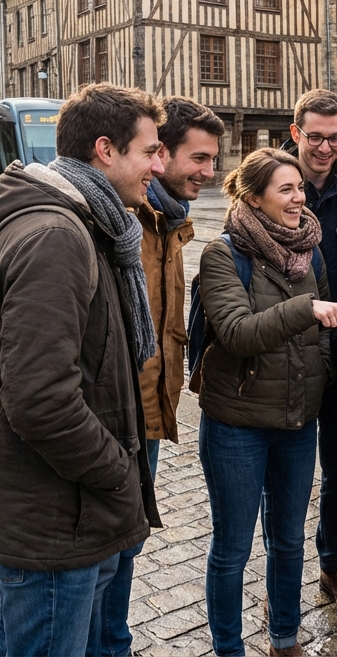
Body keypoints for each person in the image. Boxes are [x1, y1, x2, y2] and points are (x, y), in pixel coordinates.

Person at [0, 83, 166, 657]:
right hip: (55, 517)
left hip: (67, 512)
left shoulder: (84, 221)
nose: (159, 164)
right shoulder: (57, 235)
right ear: (106, 150)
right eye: (150, 151)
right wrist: (115, 470)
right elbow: (40, 398)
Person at [196, 147, 337, 657]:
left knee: (288, 542)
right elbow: (238, 333)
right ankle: (228, 647)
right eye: (285, 189)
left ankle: (284, 640)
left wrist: (323, 376)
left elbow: (326, 335)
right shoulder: (224, 253)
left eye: (299, 188)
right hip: (237, 424)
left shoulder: (311, 249)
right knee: (232, 549)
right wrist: (306, 307)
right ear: (253, 196)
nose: (298, 198)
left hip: (296, 422)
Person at [280, 88, 337, 617]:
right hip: (287, 354)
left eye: (335, 138)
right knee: (288, 476)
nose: (324, 148)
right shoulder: (270, 182)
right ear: (296, 133)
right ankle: (281, 576)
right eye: (315, 137)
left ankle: (333, 565)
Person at [137, 97, 225, 479]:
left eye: (213, 160)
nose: (210, 172)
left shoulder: (169, 218)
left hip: (150, 408)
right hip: (123, 417)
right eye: (199, 158)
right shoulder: (131, 219)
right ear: (162, 152)